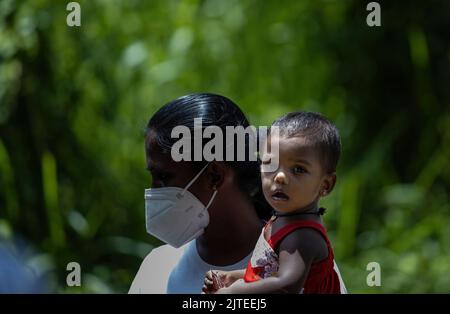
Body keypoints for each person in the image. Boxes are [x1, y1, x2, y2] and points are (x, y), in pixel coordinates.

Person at [129, 93, 272, 293]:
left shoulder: (303, 273)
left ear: (215, 175)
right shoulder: (157, 269)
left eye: (164, 177)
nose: (153, 191)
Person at [203, 112, 347, 294]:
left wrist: (233, 293)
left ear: (325, 185)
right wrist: (234, 277)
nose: (279, 177)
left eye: (298, 169)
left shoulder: (302, 237)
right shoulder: (283, 217)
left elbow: (286, 286)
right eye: (270, 163)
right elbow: (267, 272)